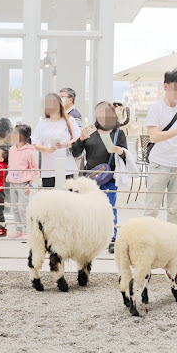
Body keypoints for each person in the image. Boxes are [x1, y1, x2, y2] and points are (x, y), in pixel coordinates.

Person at [72, 102, 128, 254]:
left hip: (109, 177)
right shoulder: (90, 130)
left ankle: (112, 238)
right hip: (90, 178)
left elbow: (126, 156)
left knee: (109, 208)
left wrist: (120, 151)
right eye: (99, 113)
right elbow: (76, 152)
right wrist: (81, 139)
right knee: (89, 209)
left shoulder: (118, 133)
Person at [144, 68, 177, 225]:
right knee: (151, 209)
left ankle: (171, 246)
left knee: (175, 211)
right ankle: (146, 244)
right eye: (176, 87)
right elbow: (155, 136)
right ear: (166, 86)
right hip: (159, 164)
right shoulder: (155, 108)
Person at [33, 93, 81, 187]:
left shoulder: (69, 121)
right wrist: (45, 148)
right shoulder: (42, 124)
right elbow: (35, 143)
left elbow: (78, 138)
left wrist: (66, 144)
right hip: (48, 168)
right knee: (50, 198)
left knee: (66, 196)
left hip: (66, 166)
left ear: (59, 104)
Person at [6, 124, 40, 241]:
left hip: (23, 183)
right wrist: (8, 175)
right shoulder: (12, 149)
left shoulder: (29, 152)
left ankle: (26, 230)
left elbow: (35, 169)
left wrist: (29, 183)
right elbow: (11, 164)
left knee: (22, 208)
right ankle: (18, 230)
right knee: (14, 207)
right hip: (12, 182)